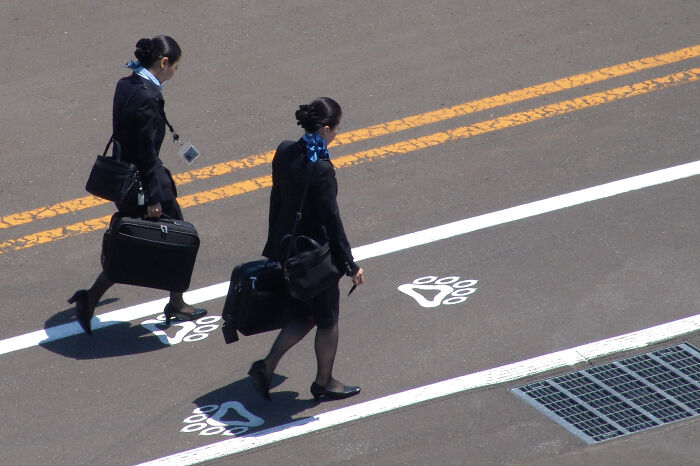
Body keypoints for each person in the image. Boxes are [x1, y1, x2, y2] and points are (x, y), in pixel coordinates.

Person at [68, 35, 206, 335]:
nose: (174, 74)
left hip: (126, 177)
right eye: (175, 68)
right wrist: (155, 197)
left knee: (135, 240)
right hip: (144, 182)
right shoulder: (148, 97)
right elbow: (146, 152)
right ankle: (96, 298)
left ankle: (171, 300)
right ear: (163, 63)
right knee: (167, 239)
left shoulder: (126, 84)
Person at [248, 97, 365, 401]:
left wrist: (275, 247)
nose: (337, 134)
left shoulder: (285, 150)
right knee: (327, 320)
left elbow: (277, 201)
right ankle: (324, 382)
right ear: (325, 129)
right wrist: (350, 264)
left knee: (304, 315)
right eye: (336, 129)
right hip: (316, 259)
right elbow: (332, 221)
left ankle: (267, 366)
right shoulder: (322, 169)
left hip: (289, 253)